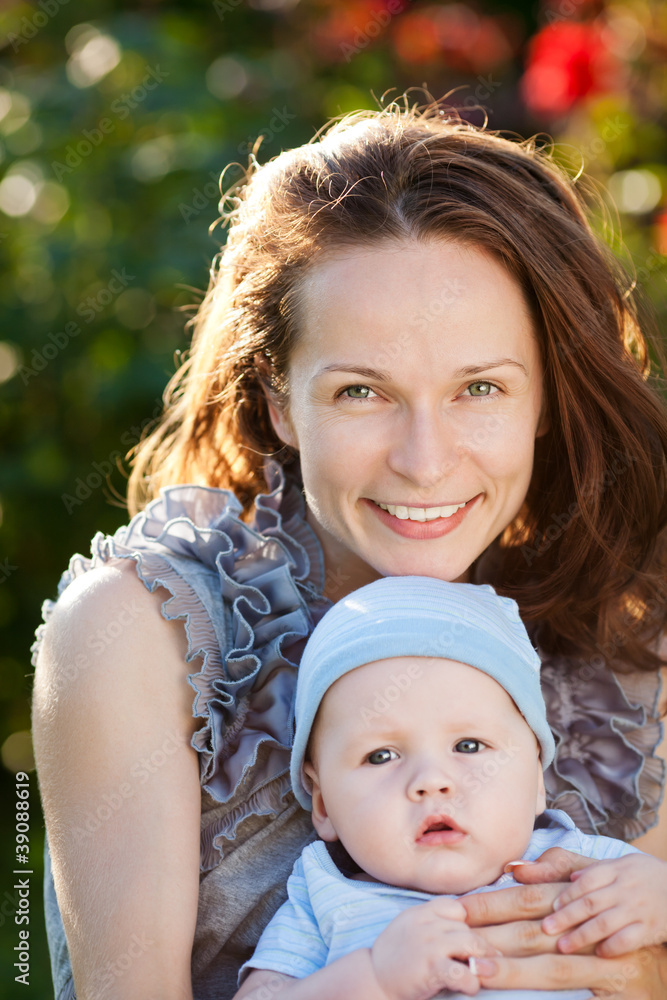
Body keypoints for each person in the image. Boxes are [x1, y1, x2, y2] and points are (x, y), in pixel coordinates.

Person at [31, 98, 667, 1000]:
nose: (424, 459)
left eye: (479, 387)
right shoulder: (140, 634)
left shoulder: (627, 640)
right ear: (281, 400)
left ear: (546, 398)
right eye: (362, 392)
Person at [236, 576, 663, 1000]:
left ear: (536, 779)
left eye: (469, 745)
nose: (431, 781)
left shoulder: (587, 865)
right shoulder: (325, 896)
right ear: (324, 804)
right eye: (381, 756)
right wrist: (374, 978)